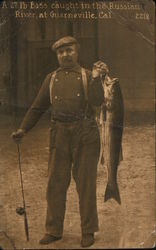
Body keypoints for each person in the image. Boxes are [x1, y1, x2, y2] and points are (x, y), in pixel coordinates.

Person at [12, 36, 109, 247]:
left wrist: (95, 79)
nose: (65, 54)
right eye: (61, 52)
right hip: (59, 134)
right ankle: (54, 230)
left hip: (85, 134)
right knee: (55, 184)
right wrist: (23, 129)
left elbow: (97, 101)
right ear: (57, 55)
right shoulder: (51, 79)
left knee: (85, 184)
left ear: (77, 51)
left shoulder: (86, 75)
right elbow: (37, 107)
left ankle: (88, 231)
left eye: (69, 50)